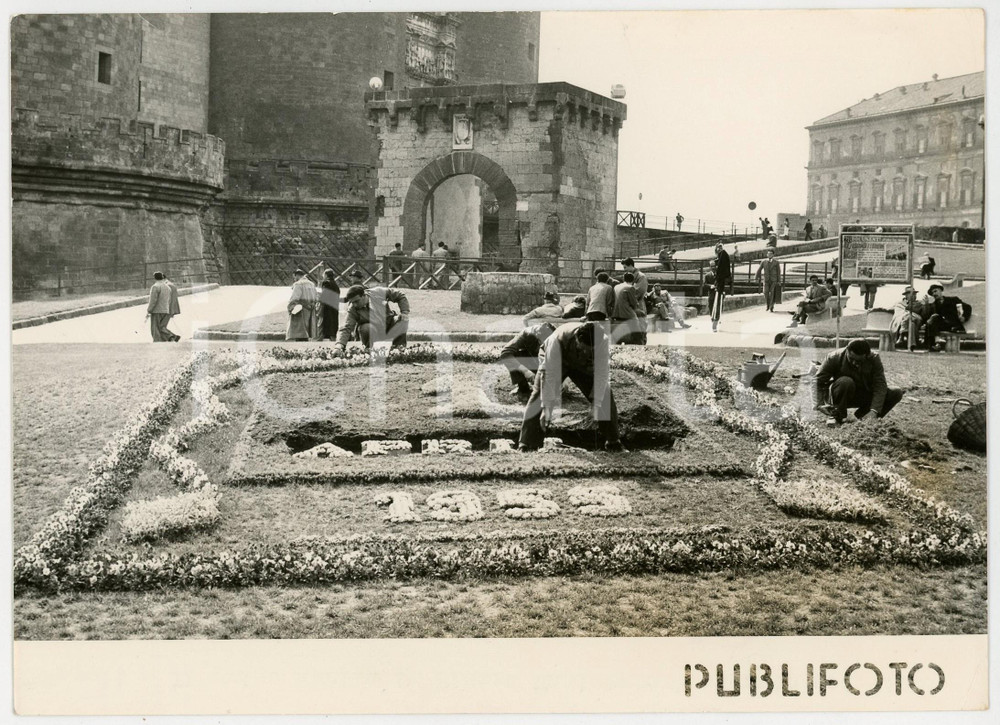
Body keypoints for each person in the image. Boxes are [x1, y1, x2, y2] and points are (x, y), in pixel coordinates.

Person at [518, 321, 624, 453]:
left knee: (606, 394)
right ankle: (526, 444)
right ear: (577, 338)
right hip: (556, 362)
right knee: (538, 396)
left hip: (583, 366)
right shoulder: (557, 339)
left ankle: (613, 442)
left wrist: (596, 403)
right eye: (582, 348)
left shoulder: (602, 341)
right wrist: (546, 407)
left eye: (589, 350)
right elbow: (549, 374)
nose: (585, 352)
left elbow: (602, 373)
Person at [814, 338, 903, 424]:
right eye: (851, 359)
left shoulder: (874, 358)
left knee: (896, 392)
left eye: (859, 361)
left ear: (867, 355)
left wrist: (874, 411)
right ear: (847, 351)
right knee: (845, 382)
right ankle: (838, 416)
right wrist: (819, 404)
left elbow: (880, 385)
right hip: (841, 393)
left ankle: (865, 418)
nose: (854, 363)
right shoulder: (834, 357)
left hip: (863, 394)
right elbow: (817, 381)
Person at [334, 284, 410, 351]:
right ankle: (370, 350)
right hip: (373, 331)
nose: (355, 305)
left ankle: (398, 349)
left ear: (364, 295)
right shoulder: (352, 309)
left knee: (401, 319)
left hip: (389, 324)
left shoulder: (378, 292)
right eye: (352, 302)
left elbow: (400, 295)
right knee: (365, 328)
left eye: (356, 301)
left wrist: (404, 312)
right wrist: (339, 346)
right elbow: (346, 327)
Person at [499, 321, 557, 400]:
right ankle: (523, 388)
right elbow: (505, 353)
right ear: (538, 337)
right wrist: (525, 371)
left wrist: (562, 380)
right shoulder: (526, 334)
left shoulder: (555, 336)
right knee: (514, 356)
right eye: (543, 341)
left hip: (543, 362)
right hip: (532, 359)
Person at [923, 284, 972, 352]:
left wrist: (964, 317)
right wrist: (926, 305)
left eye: (935, 291)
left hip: (954, 325)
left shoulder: (953, 300)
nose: (934, 294)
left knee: (933, 320)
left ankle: (935, 344)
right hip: (942, 326)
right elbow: (927, 317)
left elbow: (968, 307)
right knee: (933, 318)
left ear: (940, 291)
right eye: (932, 293)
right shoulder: (933, 305)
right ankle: (936, 344)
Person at [286, 268, 319, 341]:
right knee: (307, 330)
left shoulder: (298, 284)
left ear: (296, 275)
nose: (294, 279)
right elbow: (316, 297)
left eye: (294, 277)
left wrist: (290, 307)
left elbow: (295, 298)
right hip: (311, 308)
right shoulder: (312, 284)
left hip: (301, 309)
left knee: (300, 331)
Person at [621, 258, 648, 343]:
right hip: (629, 305)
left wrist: (628, 298)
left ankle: (642, 342)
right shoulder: (627, 276)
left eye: (625, 267)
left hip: (638, 304)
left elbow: (640, 291)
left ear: (630, 265)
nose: (624, 269)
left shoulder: (641, 276)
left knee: (641, 325)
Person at [145, 271, 178, 342]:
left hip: (156, 310)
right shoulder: (168, 287)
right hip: (165, 310)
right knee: (161, 327)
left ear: (155, 278)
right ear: (162, 277)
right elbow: (169, 300)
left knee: (155, 328)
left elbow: (153, 301)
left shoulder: (155, 287)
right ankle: (169, 338)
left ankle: (158, 341)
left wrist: (149, 310)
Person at [611, 271, 642, 344]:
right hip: (626, 312)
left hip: (616, 312)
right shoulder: (630, 288)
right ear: (633, 280)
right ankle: (638, 341)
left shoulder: (616, 287)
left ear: (623, 279)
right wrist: (637, 304)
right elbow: (633, 303)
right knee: (637, 326)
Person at [710, 243, 731, 332]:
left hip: (720, 286)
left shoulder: (723, 255)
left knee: (718, 304)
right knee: (714, 305)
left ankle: (715, 322)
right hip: (716, 287)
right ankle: (714, 319)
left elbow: (723, 271)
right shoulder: (720, 257)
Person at [317, 269, 341, 341]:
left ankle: (319, 339)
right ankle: (333, 338)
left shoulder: (326, 283)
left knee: (323, 324)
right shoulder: (335, 285)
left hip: (327, 307)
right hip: (334, 307)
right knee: (333, 324)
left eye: (323, 275)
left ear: (326, 275)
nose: (323, 276)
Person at [165, 275, 181, 341]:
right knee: (161, 326)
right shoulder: (171, 285)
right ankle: (170, 338)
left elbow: (169, 300)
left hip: (168, 309)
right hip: (171, 309)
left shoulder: (168, 286)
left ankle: (173, 337)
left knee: (160, 326)